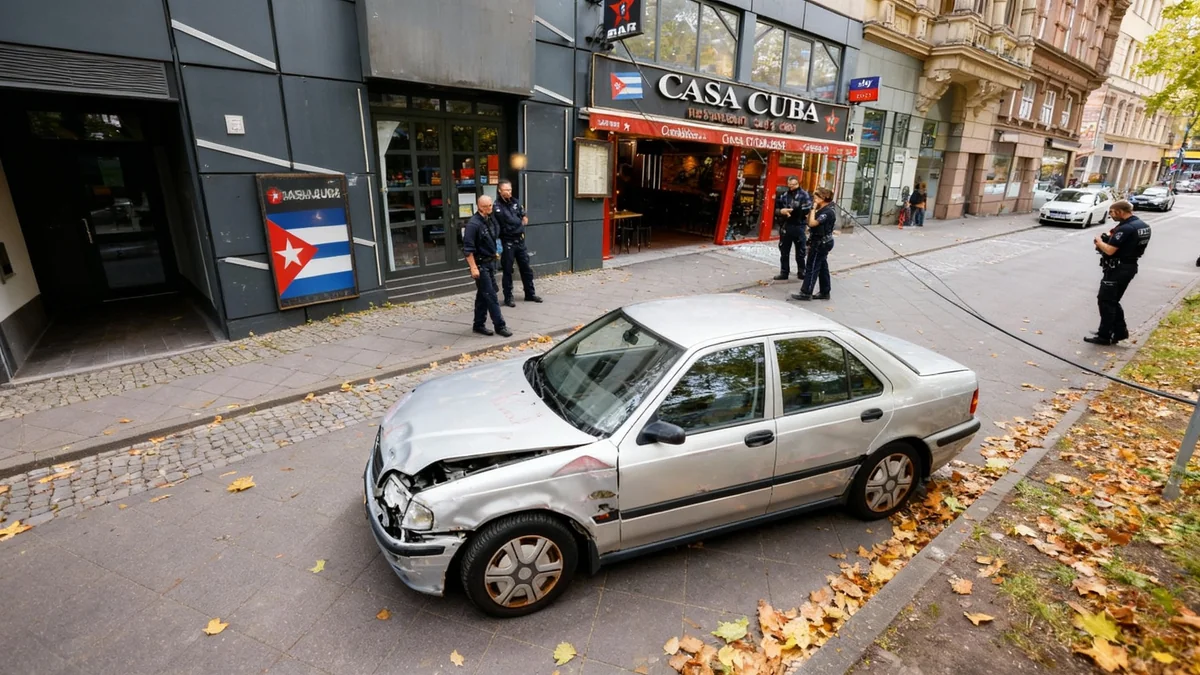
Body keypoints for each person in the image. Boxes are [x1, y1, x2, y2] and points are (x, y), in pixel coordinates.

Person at [1086, 200, 1151, 345]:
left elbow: (1110, 250)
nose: (1111, 215)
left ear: (1120, 212)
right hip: (1129, 266)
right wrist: (1110, 238)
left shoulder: (1126, 228)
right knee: (1112, 301)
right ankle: (1118, 332)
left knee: (1106, 301)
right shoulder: (1142, 226)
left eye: (1112, 212)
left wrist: (1099, 242)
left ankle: (1105, 336)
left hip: (1118, 268)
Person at [463, 195, 512, 338]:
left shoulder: (490, 219)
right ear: (479, 206)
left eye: (490, 205)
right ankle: (500, 326)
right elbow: (467, 249)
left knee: (483, 295)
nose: (488, 208)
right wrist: (473, 268)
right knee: (491, 296)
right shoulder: (473, 224)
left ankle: (478, 324)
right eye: (485, 206)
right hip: (481, 265)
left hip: (490, 262)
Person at [494, 179, 542, 307]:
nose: (509, 192)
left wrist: (523, 218)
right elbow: (506, 222)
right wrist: (517, 223)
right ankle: (508, 297)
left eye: (510, 189)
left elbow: (523, 215)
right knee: (508, 270)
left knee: (526, 269)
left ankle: (530, 294)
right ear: (500, 191)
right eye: (506, 190)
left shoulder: (515, 202)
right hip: (507, 242)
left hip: (520, 241)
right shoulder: (496, 206)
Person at [791, 187, 837, 301]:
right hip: (823, 241)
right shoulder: (825, 209)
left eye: (816, 197)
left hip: (820, 243)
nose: (814, 199)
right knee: (822, 266)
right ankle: (825, 291)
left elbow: (812, 223)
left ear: (823, 198)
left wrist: (813, 209)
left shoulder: (827, 212)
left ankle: (806, 292)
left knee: (812, 266)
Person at [772, 176, 812, 281]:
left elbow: (807, 208)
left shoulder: (804, 194)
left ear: (798, 183)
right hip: (786, 225)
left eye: (794, 185)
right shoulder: (784, 195)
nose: (791, 187)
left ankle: (801, 271)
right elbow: (776, 208)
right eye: (790, 185)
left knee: (800, 251)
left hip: (799, 225)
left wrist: (795, 211)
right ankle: (784, 272)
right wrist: (781, 211)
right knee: (784, 251)